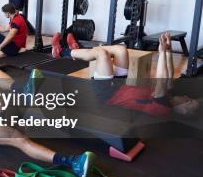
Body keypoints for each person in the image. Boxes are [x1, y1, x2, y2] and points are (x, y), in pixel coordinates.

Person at [52, 32, 199, 116]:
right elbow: (168, 77)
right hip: (120, 86)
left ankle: (61, 52)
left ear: (183, 108)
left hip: (108, 94)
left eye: (188, 101)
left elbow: (162, 80)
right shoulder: (169, 97)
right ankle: (79, 50)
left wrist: (161, 52)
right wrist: (167, 50)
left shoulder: (162, 107)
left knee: (102, 54)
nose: (187, 97)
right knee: (121, 50)